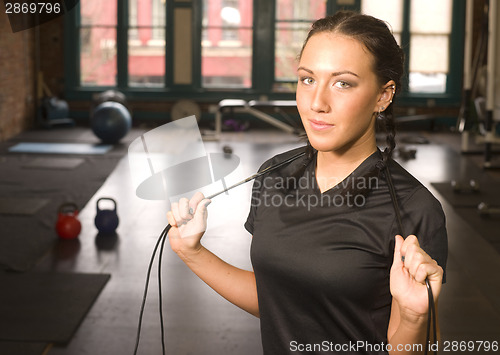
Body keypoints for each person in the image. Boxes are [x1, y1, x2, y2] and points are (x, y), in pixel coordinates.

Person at [166, 10, 447, 355]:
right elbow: (279, 300)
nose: (317, 103)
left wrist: (415, 317)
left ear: (383, 96)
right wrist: (190, 251)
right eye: (307, 79)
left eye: (343, 83)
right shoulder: (272, 177)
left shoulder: (414, 209)